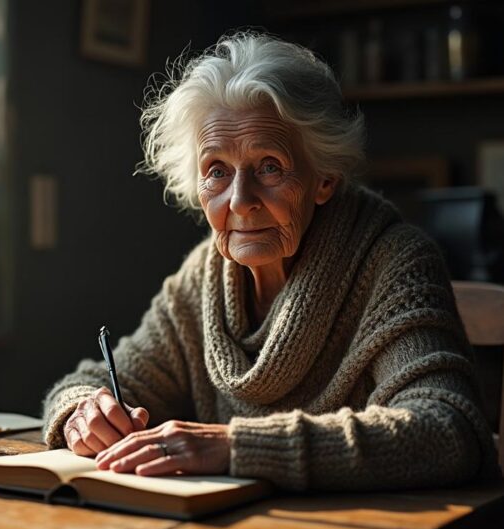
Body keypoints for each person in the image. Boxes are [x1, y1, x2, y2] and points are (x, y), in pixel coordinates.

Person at [41, 32, 498, 491]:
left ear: (324, 179)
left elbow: (447, 428)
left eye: (269, 167)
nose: (240, 201)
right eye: (217, 171)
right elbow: (96, 380)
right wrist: (84, 411)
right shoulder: (202, 277)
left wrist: (236, 447)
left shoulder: (394, 262)